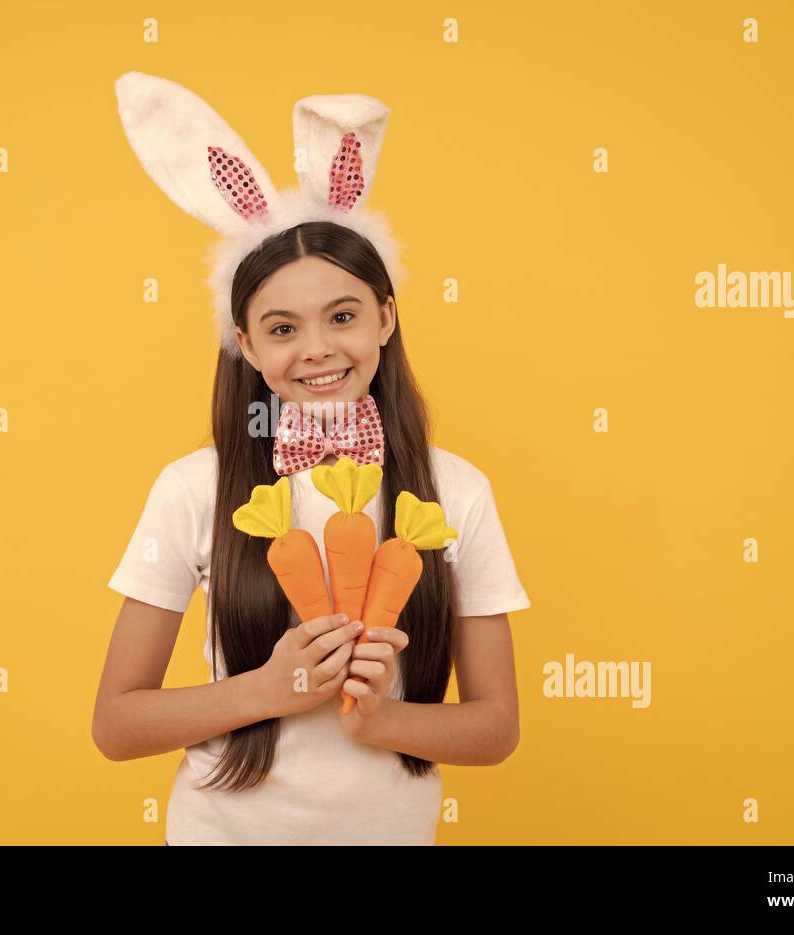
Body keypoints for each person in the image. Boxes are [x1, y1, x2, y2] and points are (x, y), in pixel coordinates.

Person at [95, 73, 532, 845]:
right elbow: (117, 723)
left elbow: (497, 727)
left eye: (342, 315)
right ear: (247, 345)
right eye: (283, 327)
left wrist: (385, 719)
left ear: (386, 318)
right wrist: (267, 689)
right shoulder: (194, 488)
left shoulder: (455, 491)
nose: (319, 349)